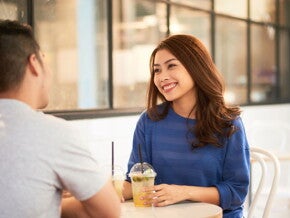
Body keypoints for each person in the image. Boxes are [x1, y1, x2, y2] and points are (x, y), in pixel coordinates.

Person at [0, 19, 120, 218]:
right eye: (44, 59)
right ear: (34, 64)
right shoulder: (53, 133)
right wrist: (53, 199)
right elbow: (109, 211)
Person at [123, 34, 250, 218]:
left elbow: (236, 192)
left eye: (171, 66)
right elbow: (136, 182)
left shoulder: (228, 123)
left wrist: (184, 192)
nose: (162, 77)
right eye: (157, 70)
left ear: (195, 67)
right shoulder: (149, 121)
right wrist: (103, 188)